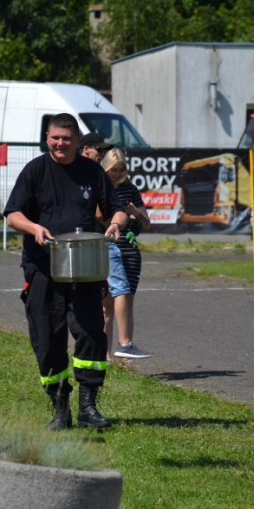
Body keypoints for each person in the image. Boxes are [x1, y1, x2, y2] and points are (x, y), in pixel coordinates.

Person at [4, 113, 127, 430]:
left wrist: (114, 223)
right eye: (55, 138)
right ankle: (60, 409)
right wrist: (33, 227)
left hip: (84, 266)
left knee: (90, 336)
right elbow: (12, 214)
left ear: (76, 140)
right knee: (47, 340)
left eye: (66, 138)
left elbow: (117, 209)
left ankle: (88, 406)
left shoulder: (91, 172)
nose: (60, 143)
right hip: (43, 267)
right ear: (47, 137)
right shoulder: (35, 171)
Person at [98, 148, 153, 360]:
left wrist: (135, 213)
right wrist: (118, 218)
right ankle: (107, 354)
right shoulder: (101, 188)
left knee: (127, 301)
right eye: (114, 170)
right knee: (106, 306)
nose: (118, 174)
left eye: (121, 170)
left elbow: (146, 223)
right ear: (106, 169)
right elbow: (99, 218)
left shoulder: (130, 189)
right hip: (110, 247)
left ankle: (125, 350)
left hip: (130, 249)